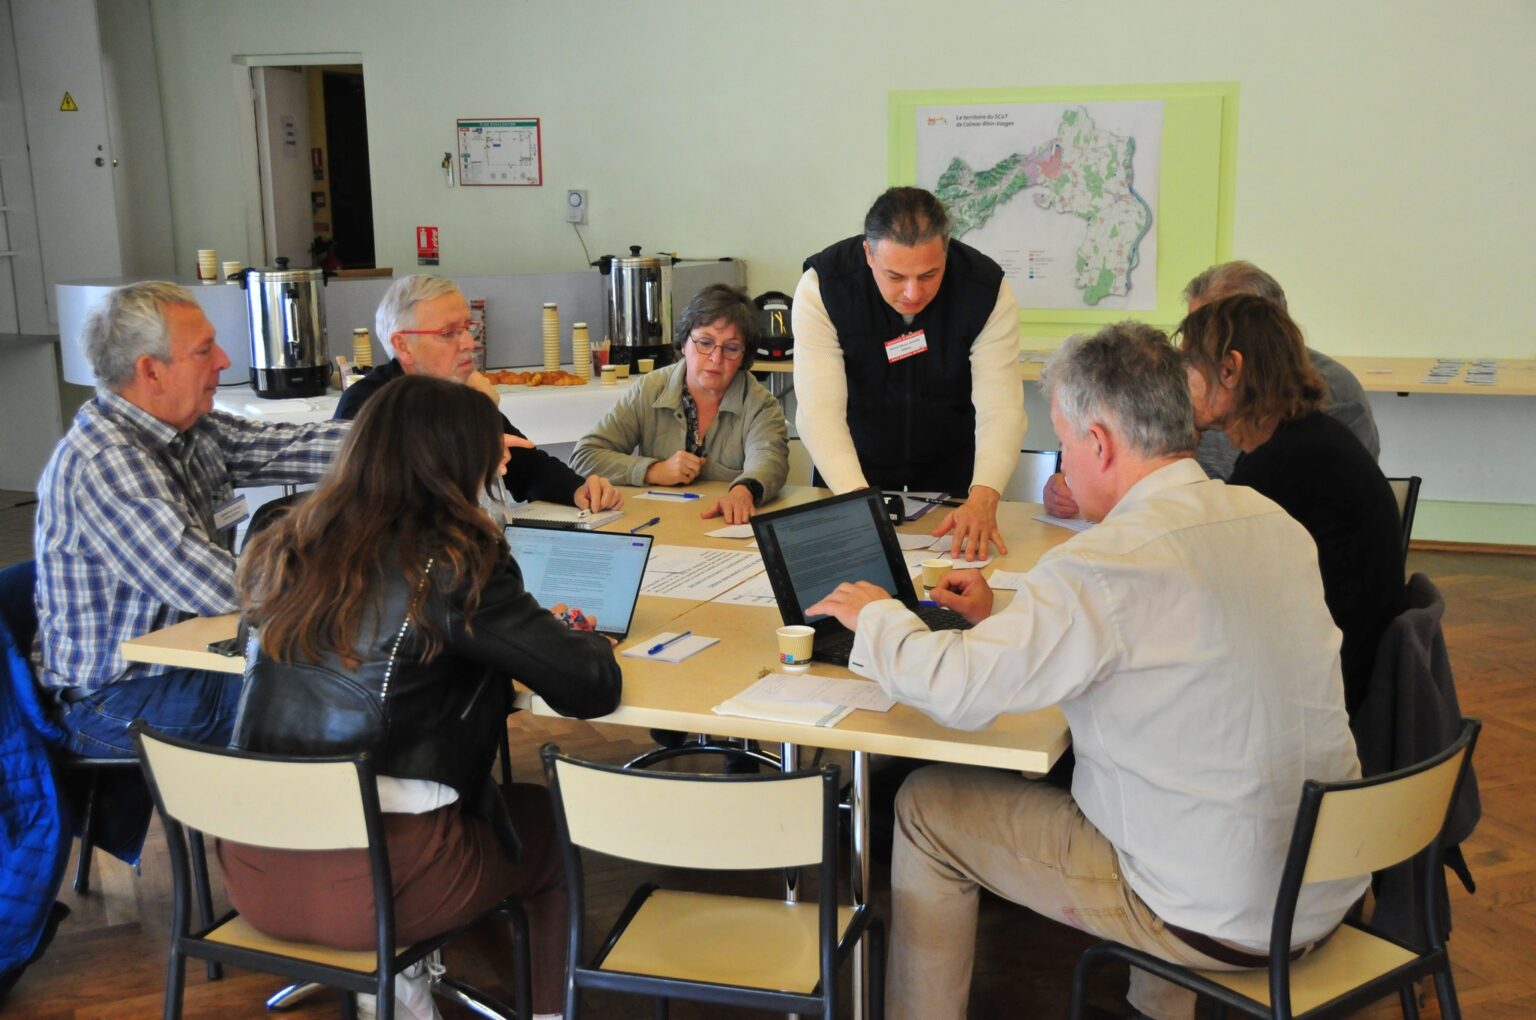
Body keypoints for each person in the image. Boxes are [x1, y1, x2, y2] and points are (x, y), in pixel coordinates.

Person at [808, 323, 1364, 1020]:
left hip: (1210, 912)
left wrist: (879, 617)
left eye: (1065, 444)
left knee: (924, 807)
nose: (1064, 465)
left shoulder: (1104, 563)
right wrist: (1004, 619)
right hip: (1324, 881)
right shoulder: (1270, 520)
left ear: (1099, 443)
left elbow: (958, 692)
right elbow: (1168, 641)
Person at [228, 374, 622, 1020]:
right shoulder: (452, 559)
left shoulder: (283, 541)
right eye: (490, 452)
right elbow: (589, 690)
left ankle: (399, 982)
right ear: (454, 461)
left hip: (253, 873)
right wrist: (578, 640)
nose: (501, 464)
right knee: (550, 828)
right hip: (376, 890)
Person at [33, 281, 349, 758]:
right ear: (151, 370)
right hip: (115, 696)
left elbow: (294, 444)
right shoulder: (104, 460)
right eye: (204, 350)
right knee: (338, 697)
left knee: (350, 676)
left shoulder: (191, 430)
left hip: (189, 659)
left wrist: (423, 434)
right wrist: (352, 583)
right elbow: (217, 585)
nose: (223, 360)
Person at [1179, 294, 1406, 713]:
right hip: (1340, 670)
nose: (1179, 381)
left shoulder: (1286, 465)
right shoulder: (1306, 439)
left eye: (1188, 365)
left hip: (1321, 694)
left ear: (1229, 370)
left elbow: (1211, 589)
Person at [793, 186, 1026, 560]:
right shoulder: (824, 287)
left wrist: (985, 494)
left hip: (953, 485)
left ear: (946, 248)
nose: (913, 293)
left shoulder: (985, 289)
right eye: (895, 276)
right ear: (868, 254)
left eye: (930, 274)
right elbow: (818, 412)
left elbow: (1001, 408)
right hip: (851, 475)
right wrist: (856, 501)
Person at [1044, 259, 1379, 516]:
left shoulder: (1283, 461)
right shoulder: (1281, 440)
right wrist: (1082, 480)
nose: (1180, 370)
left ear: (1233, 366)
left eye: (1194, 356)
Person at [336, 274, 620, 512]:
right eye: (448, 333)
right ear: (403, 346)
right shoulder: (366, 404)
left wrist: (577, 489)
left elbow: (526, 465)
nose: (469, 343)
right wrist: (472, 439)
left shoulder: (460, 391)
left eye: (467, 328)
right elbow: (392, 489)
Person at [569, 284, 789, 524]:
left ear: (744, 357)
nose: (716, 358)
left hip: (724, 525)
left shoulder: (761, 404)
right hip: (658, 524)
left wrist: (743, 491)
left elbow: (769, 461)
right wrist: (653, 470)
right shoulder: (649, 389)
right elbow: (585, 456)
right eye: (705, 342)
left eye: (731, 348)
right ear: (684, 344)